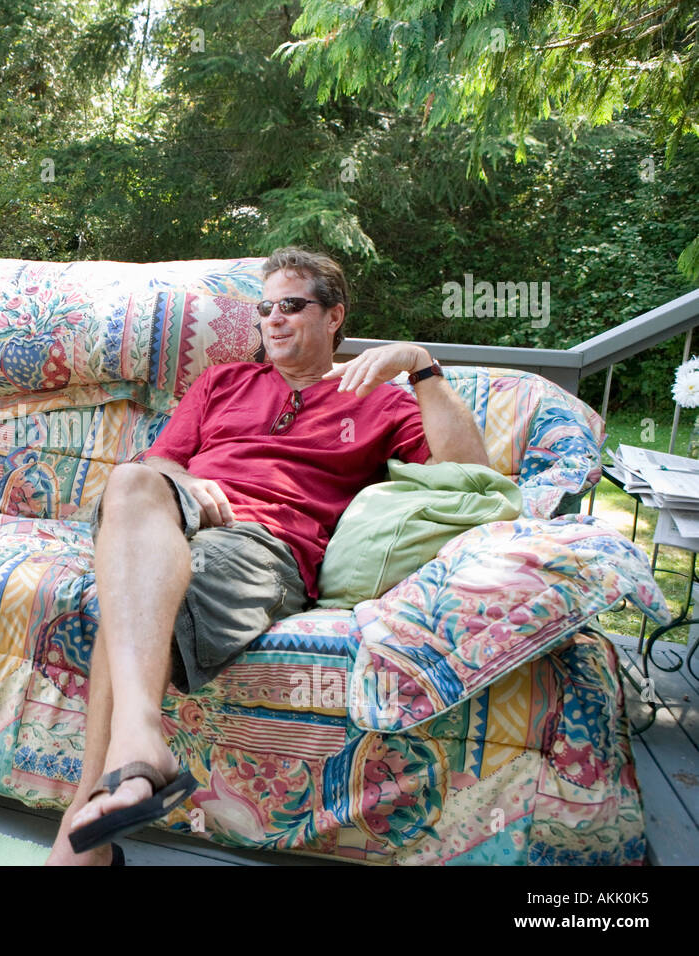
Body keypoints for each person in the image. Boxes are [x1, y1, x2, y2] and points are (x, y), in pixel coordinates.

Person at [45, 247, 489, 865]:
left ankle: (84, 829)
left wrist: (420, 365)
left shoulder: (380, 401)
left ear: (335, 316)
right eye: (264, 308)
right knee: (129, 481)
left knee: (131, 606)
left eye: (291, 305)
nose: (273, 319)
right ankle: (135, 754)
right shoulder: (223, 382)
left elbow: (473, 473)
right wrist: (187, 480)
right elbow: (160, 462)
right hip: (175, 516)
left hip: (263, 545)